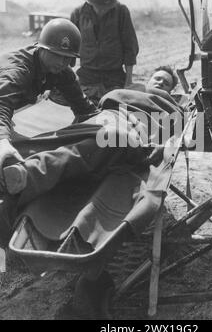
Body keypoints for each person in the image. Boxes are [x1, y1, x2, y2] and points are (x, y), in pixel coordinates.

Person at [0, 66, 180, 247]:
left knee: (96, 145)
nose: (160, 82)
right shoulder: (130, 91)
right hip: (107, 119)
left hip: (133, 133)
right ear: (149, 79)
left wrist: (159, 142)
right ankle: (21, 172)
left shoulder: (170, 106)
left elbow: (178, 138)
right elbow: (102, 105)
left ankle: (27, 173)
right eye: (158, 78)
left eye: (166, 83)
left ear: (171, 91)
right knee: (64, 141)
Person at [0, 18, 97, 189]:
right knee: (9, 154)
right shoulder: (18, 70)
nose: (61, 62)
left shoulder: (60, 70)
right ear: (41, 48)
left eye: (67, 58)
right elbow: (2, 106)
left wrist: (106, 123)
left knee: (30, 150)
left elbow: (85, 108)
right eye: (56, 55)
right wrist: (2, 140)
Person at [71, 0, 139, 105]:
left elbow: (130, 47)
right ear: (89, 1)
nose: (103, 10)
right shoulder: (78, 14)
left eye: (106, 8)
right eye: (99, 7)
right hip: (87, 76)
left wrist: (128, 81)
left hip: (114, 77)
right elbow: (70, 49)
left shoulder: (121, 12)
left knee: (115, 108)